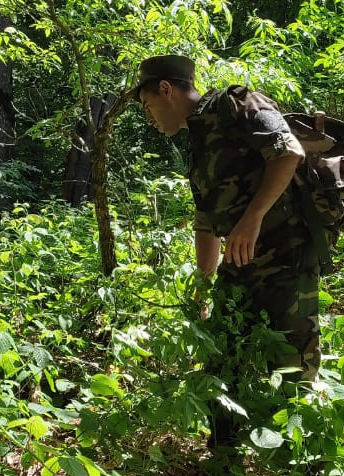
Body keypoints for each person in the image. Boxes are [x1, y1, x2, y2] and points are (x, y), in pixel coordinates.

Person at [128, 54, 320, 447]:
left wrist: (252, 219)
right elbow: (205, 219)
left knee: (293, 361)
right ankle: (222, 459)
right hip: (237, 266)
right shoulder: (196, 141)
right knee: (222, 358)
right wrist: (203, 280)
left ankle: (300, 466)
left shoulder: (237, 104)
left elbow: (289, 152)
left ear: (166, 89)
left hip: (285, 256)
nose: (148, 117)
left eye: (148, 104)